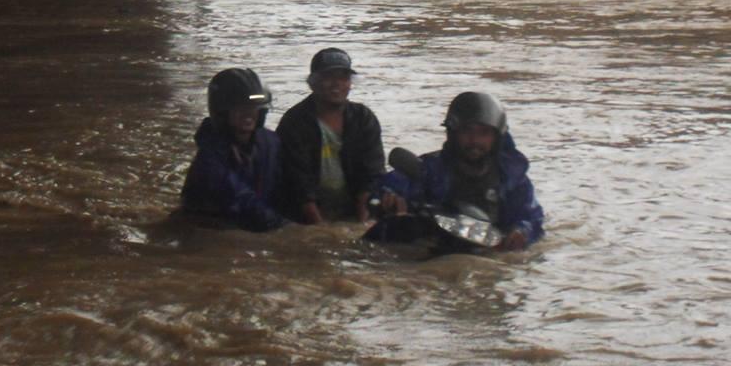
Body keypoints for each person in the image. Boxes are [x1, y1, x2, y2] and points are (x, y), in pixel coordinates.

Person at [380, 92, 544, 250]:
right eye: (467, 131)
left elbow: (531, 216)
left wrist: (521, 232)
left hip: (489, 253)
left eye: (483, 133)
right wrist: (389, 198)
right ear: (452, 133)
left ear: (497, 138)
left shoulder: (511, 177)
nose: (474, 140)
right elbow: (390, 185)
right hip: (431, 250)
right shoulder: (430, 169)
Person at [276, 48, 385, 224]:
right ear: (313, 83)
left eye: (343, 77)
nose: (337, 84)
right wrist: (321, 231)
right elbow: (298, 185)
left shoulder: (363, 118)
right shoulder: (294, 122)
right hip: (306, 213)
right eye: (328, 77)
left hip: (352, 207)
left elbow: (371, 175)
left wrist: (362, 226)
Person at [180, 68, 285, 232]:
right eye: (239, 107)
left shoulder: (270, 142)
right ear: (222, 112)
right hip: (212, 230)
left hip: (258, 222)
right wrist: (287, 229)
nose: (248, 113)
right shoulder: (209, 158)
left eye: (253, 107)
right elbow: (240, 200)